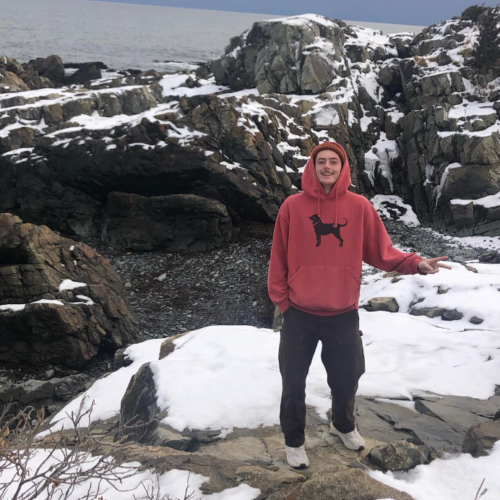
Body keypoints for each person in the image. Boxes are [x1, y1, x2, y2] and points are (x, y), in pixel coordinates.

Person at [268, 141, 451, 469]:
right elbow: (278, 257)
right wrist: (283, 302)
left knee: (347, 376)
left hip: (342, 313)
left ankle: (342, 424)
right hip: (299, 314)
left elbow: (382, 251)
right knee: (293, 382)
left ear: (342, 168)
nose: (327, 167)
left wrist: (416, 263)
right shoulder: (292, 207)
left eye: (333, 162)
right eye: (321, 161)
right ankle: (294, 440)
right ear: (312, 167)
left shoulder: (359, 206)